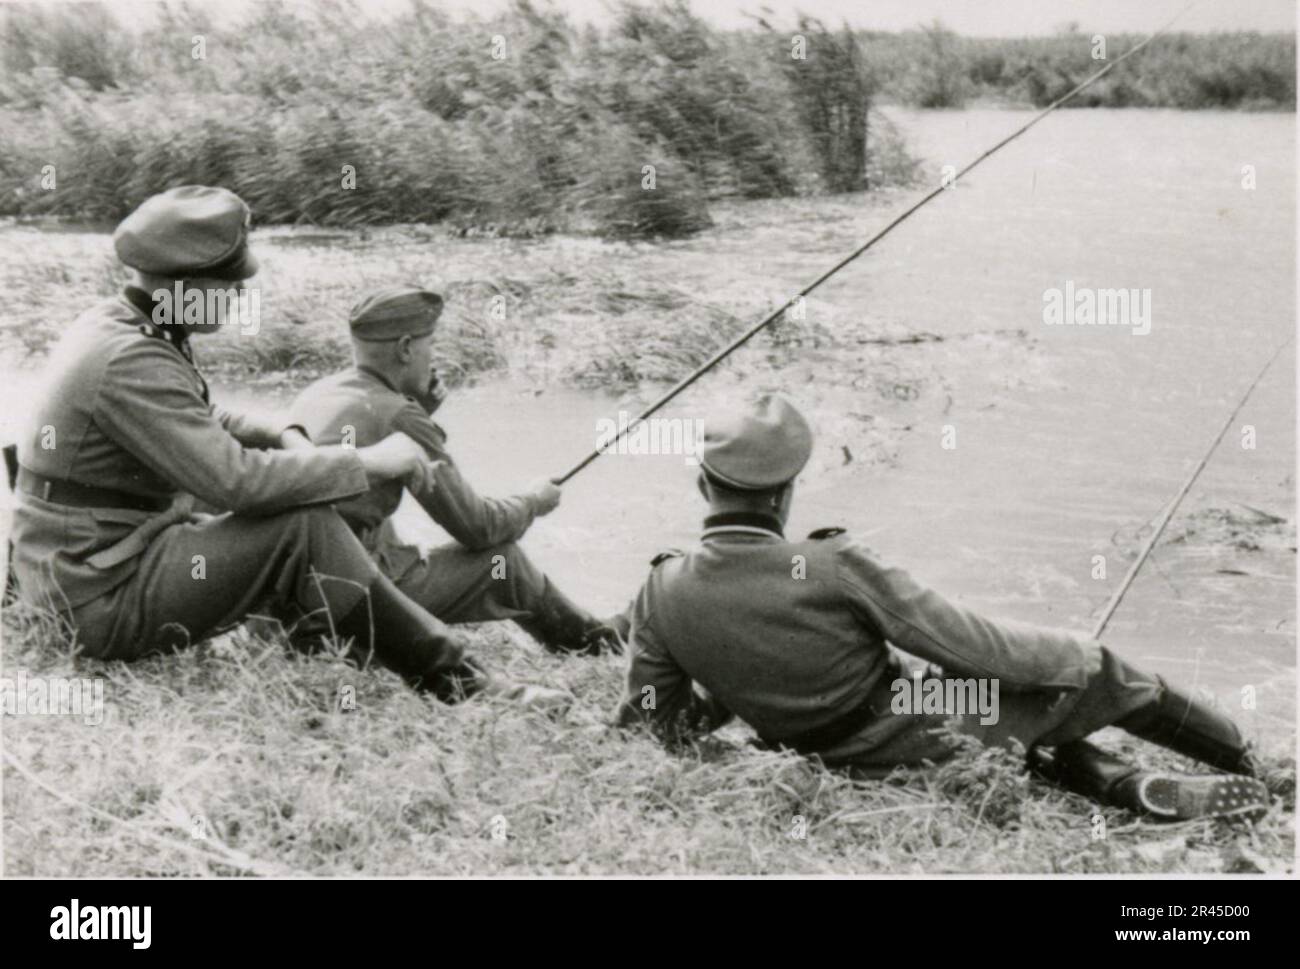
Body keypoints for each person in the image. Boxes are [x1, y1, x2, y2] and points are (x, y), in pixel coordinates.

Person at [8, 186, 565, 709]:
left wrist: (275, 430)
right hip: (95, 600)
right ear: (187, 286)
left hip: (87, 566)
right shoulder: (133, 357)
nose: (239, 297)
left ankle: (334, 632)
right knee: (304, 527)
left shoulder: (123, 324)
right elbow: (238, 482)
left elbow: (197, 415)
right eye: (229, 285)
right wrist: (369, 460)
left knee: (297, 513)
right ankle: (459, 681)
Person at [613, 393, 1269, 821]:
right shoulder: (833, 565)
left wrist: (738, 688)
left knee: (1021, 723)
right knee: (1089, 674)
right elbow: (971, 647)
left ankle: (1125, 784)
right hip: (914, 725)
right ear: (785, 493)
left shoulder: (662, 590)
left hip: (812, 751)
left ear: (704, 484)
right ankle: (1254, 765)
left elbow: (654, 721)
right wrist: (1073, 655)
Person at [287, 285, 621, 656]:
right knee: (501, 563)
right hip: (346, 608)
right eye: (431, 346)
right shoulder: (400, 415)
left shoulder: (320, 392)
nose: (433, 359)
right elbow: (478, 527)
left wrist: (417, 410)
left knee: (367, 517)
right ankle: (596, 643)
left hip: (299, 599)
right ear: (405, 349)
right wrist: (533, 502)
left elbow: (357, 479)